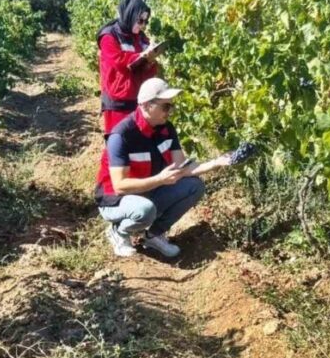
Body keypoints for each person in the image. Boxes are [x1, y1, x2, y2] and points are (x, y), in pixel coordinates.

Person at [93, 78, 232, 258]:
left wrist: (216, 163)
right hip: (116, 200)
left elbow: (181, 168)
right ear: (146, 105)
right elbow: (120, 186)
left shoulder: (166, 129)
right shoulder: (121, 136)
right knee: (145, 210)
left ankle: (153, 235)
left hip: (148, 191)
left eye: (171, 106)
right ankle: (119, 232)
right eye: (165, 106)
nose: (170, 111)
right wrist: (160, 180)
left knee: (194, 186)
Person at [97, 0, 163, 136]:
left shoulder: (140, 37)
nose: (143, 25)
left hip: (138, 98)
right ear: (129, 16)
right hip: (118, 103)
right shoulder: (109, 37)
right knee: (118, 140)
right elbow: (118, 61)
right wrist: (141, 56)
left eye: (146, 21)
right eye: (140, 21)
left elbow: (146, 65)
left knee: (135, 141)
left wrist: (150, 60)